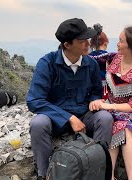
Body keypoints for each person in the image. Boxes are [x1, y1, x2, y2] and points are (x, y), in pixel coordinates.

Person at [26, 18, 114, 179]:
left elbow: (96, 91)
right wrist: (68, 117)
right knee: (38, 123)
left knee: (105, 118)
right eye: (82, 41)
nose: (88, 44)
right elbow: (34, 100)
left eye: (88, 39)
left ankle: (96, 170)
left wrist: (95, 99)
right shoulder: (47, 63)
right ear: (67, 45)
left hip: (84, 114)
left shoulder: (91, 64)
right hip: (55, 118)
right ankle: (45, 174)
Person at [89, 25, 132, 180]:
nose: (117, 43)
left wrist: (107, 106)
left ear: (131, 46)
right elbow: (90, 61)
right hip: (109, 108)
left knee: (122, 127)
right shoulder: (112, 58)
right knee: (116, 124)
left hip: (129, 113)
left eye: (120, 41)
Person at [89, 24, 109, 100]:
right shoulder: (109, 57)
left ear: (92, 44)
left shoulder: (87, 58)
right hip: (105, 89)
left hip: (91, 89)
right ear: (106, 43)